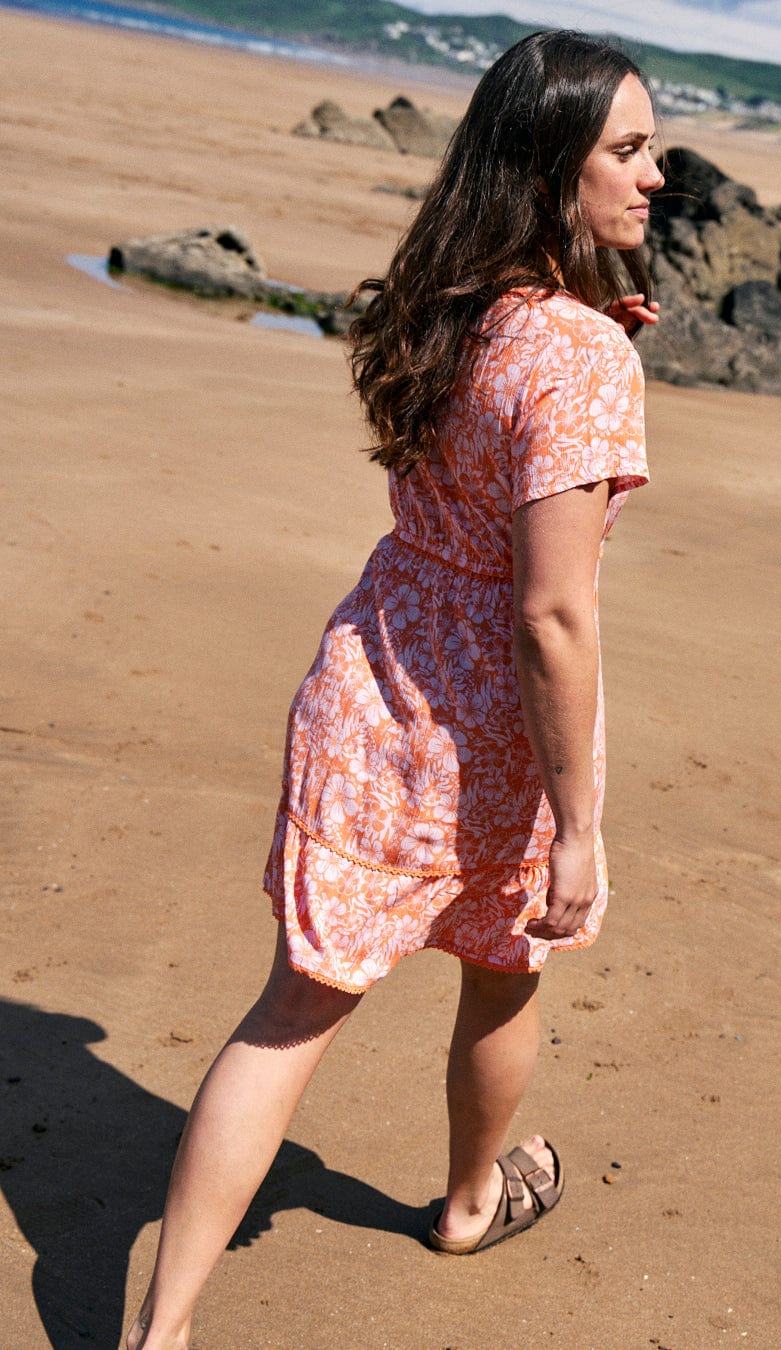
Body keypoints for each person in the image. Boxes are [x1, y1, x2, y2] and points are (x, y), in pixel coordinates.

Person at [125, 28, 663, 1349]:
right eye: (631, 151)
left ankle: (159, 1331)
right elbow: (551, 611)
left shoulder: (451, 300)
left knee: (292, 1011)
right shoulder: (584, 356)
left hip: (373, 688)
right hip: (488, 735)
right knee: (503, 975)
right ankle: (472, 1200)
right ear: (552, 172)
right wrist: (582, 826)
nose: (658, 178)